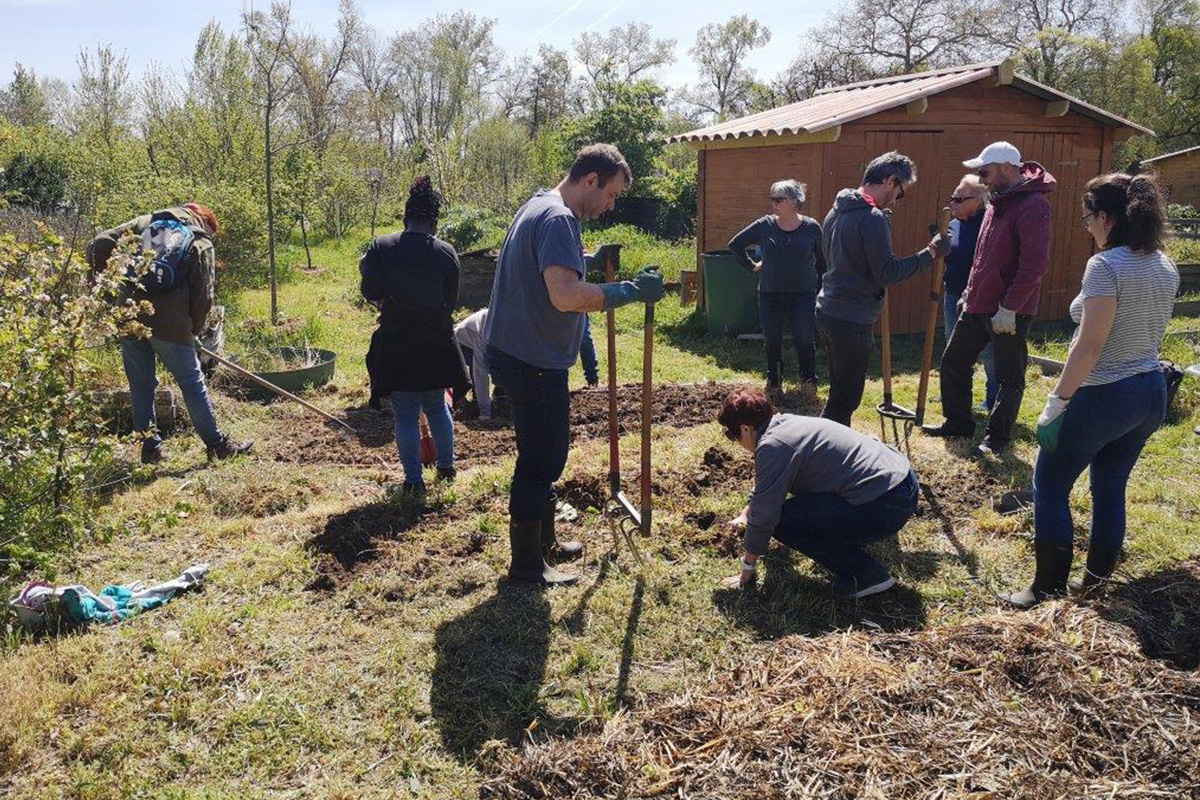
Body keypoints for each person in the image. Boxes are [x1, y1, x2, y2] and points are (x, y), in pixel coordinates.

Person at [484, 143, 664, 585]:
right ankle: (527, 567)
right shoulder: (560, 219)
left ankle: (542, 545)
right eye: (611, 194)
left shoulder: (539, 205)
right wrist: (625, 292)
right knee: (542, 460)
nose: (611, 205)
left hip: (516, 350)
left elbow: (546, 270)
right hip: (532, 359)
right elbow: (564, 295)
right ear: (590, 180)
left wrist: (587, 262)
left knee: (542, 455)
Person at [1005, 174, 1178, 607]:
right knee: (1110, 485)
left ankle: (1045, 587)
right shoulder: (1164, 263)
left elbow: (1090, 344)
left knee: (1048, 484)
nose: (1088, 228)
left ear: (1106, 216)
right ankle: (1095, 583)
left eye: (1088, 219)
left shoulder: (1106, 266)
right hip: (1151, 391)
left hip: (1106, 394)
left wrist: (1058, 400)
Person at [87, 203, 252, 464]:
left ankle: (150, 449)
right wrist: (193, 331)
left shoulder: (144, 223)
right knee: (191, 382)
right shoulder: (200, 240)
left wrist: (109, 290)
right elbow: (203, 298)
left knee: (141, 385)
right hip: (171, 325)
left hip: (130, 315)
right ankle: (217, 445)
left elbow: (99, 243)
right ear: (205, 221)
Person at [717, 388, 920, 599]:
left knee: (781, 521)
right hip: (904, 484)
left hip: (885, 504)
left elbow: (766, 513)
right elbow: (768, 488)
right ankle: (851, 537)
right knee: (798, 511)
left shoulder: (773, 445)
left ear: (746, 429)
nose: (737, 442)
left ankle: (865, 574)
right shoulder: (789, 424)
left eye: (734, 436)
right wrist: (746, 514)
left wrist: (747, 569)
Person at [923, 142, 1055, 454]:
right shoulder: (997, 202)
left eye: (985, 171)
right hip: (977, 303)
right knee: (954, 362)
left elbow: (1034, 265)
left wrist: (1009, 307)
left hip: (1009, 310)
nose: (982, 178)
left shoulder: (1034, 205)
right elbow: (983, 257)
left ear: (1007, 168)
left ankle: (997, 439)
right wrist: (970, 289)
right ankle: (958, 422)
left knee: (1008, 376)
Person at [817, 151, 949, 426]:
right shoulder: (871, 218)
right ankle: (827, 457)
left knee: (839, 391)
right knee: (846, 399)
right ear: (890, 181)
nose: (898, 200)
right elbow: (887, 273)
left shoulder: (837, 209)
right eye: (900, 192)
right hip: (851, 317)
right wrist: (930, 252)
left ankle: (827, 448)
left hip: (829, 310)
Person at [361, 176, 467, 494]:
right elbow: (450, 302)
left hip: (397, 341)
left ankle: (413, 483)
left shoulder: (381, 247)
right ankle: (447, 470)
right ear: (433, 223)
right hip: (435, 343)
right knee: (437, 406)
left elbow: (369, 289)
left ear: (405, 219)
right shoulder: (446, 253)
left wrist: (389, 303)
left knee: (405, 412)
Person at [728, 179, 826, 388]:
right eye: (772, 199)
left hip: (803, 295)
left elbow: (822, 262)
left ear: (794, 201)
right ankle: (774, 382)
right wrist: (752, 265)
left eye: (779, 199)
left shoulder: (811, 227)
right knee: (772, 340)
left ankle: (808, 384)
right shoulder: (765, 225)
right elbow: (735, 244)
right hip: (770, 294)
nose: (773, 203)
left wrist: (821, 290)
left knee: (805, 339)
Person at [454, 309, 600, 420]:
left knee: (509, 363)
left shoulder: (518, 327)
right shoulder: (485, 334)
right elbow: (480, 373)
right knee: (485, 368)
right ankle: (473, 403)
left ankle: (501, 397)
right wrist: (485, 414)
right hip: (461, 345)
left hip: (494, 340)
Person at [943, 174, 997, 410]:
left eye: (958, 199)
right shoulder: (953, 224)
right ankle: (954, 394)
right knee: (952, 346)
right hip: (953, 293)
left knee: (988, 352)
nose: (952, 203)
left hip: (980, 298)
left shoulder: (990, 224)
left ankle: (993, 398)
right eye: (952, 198)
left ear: (977, 201)